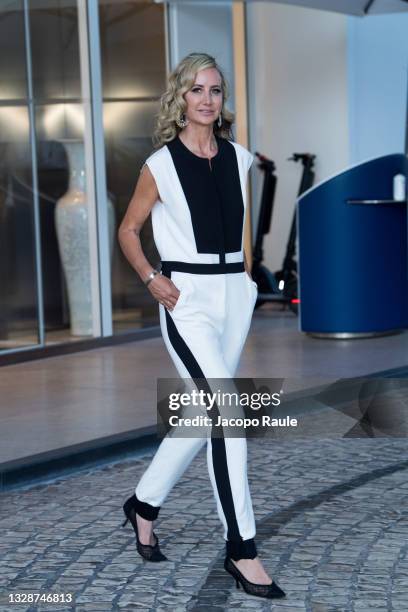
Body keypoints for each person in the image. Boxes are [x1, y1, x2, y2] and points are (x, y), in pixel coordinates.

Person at [118, 52, 285, 600]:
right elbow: (129, 230)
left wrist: (244, 284)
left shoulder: (238, 158)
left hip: (231, 296)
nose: (208, 100)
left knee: (200, 414)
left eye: (215, 90)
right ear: (180, 99)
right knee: (228, 414)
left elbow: (236, 232)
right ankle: (242, 548)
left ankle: (143, 504)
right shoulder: (159, 165)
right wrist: (150, 277)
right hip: (185, 299)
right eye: (197, 90)